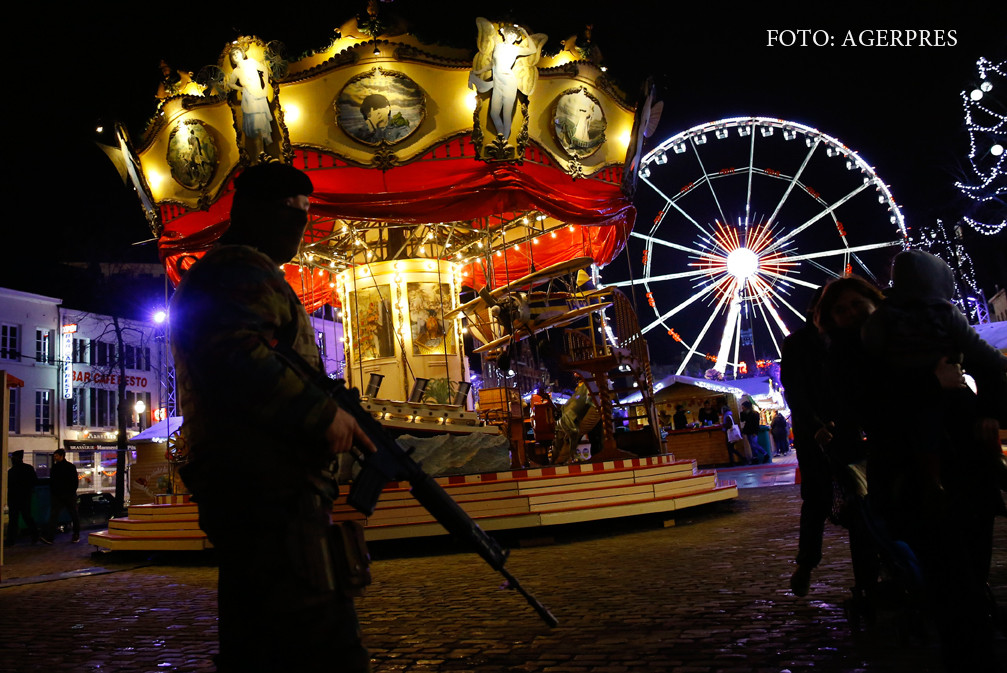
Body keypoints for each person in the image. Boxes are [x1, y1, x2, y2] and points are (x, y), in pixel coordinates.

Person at [171, 162, 376, 672]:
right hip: (267, 484)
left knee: (269, 638)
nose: (302, 225)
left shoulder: (229, 270)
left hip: (259, 482)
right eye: (294, 212)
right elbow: (235, 354)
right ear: (266, 213)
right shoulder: (239, 269)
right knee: (315, 638)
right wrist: (323, 416)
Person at [861, 250, 1007, 672]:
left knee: (964, 561)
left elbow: (987, 365)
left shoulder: (885, 322)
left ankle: (969, 637)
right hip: (928, 459)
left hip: (951, 456)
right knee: (952, 567)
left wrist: (988, 410)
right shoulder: (943, 318)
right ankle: (970, 642)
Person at [807, 276, 884, 612]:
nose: (851, 313)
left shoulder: (899, 336)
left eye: (856, 304)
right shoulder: (837, 358)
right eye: (841, 309)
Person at [781, 286, 830, 597]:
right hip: (814, 433)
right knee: (816, 500)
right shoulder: (797, 343)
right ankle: (806, 563)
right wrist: (815, 425)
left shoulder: (852, 339)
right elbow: (795, 391)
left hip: (849, 427)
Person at [40, 448, 79, 544]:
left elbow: (52, 481)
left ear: (61, 456)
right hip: (68, 495)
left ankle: (50, 537)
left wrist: (54, 492)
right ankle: (76, 534)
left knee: (54, 516)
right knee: (73, 515)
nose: (55, 457)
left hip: (59, 495)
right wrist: (71, 491)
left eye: (56, 456)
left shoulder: (55, 467)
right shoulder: (70, 467)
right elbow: (75, 481)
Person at [6, 450, 39, 545]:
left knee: (13, 519)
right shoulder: (28, 468)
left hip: (13, 498)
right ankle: (35, 535)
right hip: (25, 497)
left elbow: (8, 484)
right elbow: (34, 481)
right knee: (27, 517)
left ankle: (10, 540)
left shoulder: (11, 471)